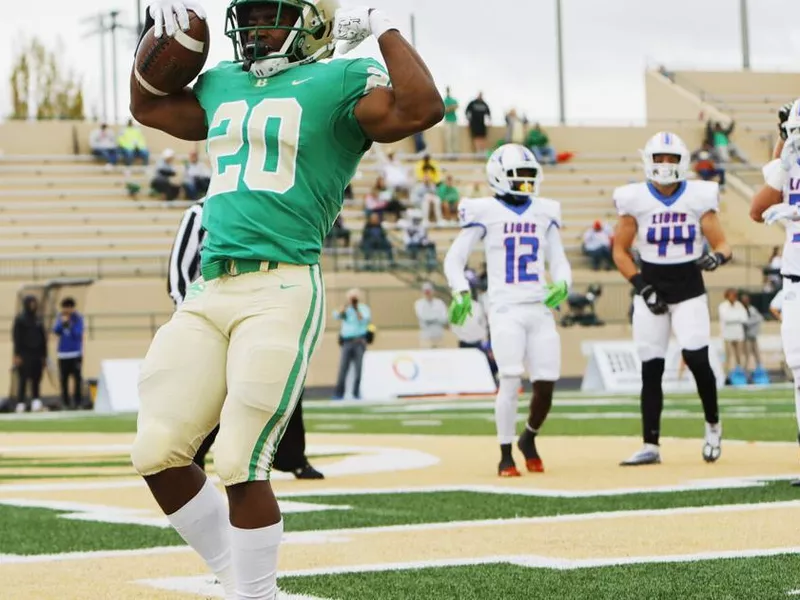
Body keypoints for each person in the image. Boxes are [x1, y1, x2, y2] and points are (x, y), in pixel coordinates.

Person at [129, 1, 444, 598]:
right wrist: (151, 42)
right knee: (156, 450)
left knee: (240, 461)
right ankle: (242, 583)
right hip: (209, 286)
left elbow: (422, 107)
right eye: (246, 13)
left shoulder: (342, 76)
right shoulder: (221, 82)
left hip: (281, 283)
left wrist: (385, 25)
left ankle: (253, 592)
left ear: (312, 21)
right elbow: (145, 106)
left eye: (270, 13)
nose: (254, 25)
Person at [166, 199, 327, 479]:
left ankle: (292, 456)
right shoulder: (199, 213)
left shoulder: (257, 209)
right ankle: (194, 457)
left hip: (258, 308)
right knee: (213, 390)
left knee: (283, 377)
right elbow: (178, 272)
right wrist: (189, 314)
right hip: (213, 315)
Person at [444, 144, 572, 477]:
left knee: (546, 384)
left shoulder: (545, 211)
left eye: (530, 176)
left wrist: (564, 282)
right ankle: (505, 454)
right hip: (504, 308)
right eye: (520, 176)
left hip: (539, 306)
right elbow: (454, 259)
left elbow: (558, 259)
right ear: (499, 176)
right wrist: (461, 293)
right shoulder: (484, 210)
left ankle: (528, 438)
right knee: (511, 378)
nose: (527, 183)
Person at [612, 131, 732, 467]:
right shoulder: (634, 198)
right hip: (651, 286)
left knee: (697, 360)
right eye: (659, 158)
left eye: (671, 158)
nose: (665, 165)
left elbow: (723, 244)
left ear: (683, 162)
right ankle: (650, 444)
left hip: (689, 287)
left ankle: (713, 425)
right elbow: (619, 251)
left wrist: (716, 259)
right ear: (648, 161)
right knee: (651, 369)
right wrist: (641, 285)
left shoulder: (699, 195)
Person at [750, 97, 800, 486]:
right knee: (799, 372)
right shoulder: (789, 164)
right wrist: (784, 161)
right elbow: (757, 208)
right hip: (796, 282)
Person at [333, 289, 372, 400]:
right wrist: (345, 308)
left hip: (359, 342)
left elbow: (363, 320)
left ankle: (356, 393)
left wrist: (356, 309)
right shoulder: (346, 308)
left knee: (358, 369)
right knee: (343, 368)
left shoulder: (363, 308)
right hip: (346, 342)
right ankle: (339, 394)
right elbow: (336, 316)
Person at [12, 296, 47, 413]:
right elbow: (17, 338)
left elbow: (43, 338)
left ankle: (36, 402)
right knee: (23, 378)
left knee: (36, 378)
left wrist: (44, 355)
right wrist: (17, 354)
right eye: (31, 303)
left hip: (37, 353)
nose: (33, 306)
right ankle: (21, 403)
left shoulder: (38, 319)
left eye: (35, 303)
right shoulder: (20, 319)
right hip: (24, 353)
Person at [52, 298, 85, 410]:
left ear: (72, 308)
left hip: (75, 354)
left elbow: (78, 333)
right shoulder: (60, 317)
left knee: (77, 379)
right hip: (63, 354)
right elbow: (56, 330)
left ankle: (77, 402)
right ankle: (65, 402)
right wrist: (62, 323)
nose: (66, 310)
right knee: (64, 380)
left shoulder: (78, 318)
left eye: (68, 307)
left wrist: (69, 324)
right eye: (64, 307)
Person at [718, 288, 748, 383]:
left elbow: (744, 318)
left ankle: (740, 374)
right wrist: (737, 318)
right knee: (728, 357)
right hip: (727, 336)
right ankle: (726, 376)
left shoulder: (739, 305)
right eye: (731, 295)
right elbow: (726, 318)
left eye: (734, 295)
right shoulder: (722, 306)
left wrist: (735, 318)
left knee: (739, 356)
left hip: (739, 335)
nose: (733, 297)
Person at [414, 282, 449, 348]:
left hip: (439, 335)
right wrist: (437, 317)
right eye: (425, 291)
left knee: (441, 356)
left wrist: (432, 317)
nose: (428, 293)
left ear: (433, 291)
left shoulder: (440, 303)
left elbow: (445, 318)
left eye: (429, 290)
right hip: (426, 336)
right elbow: (423, 317)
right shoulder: (419, 303)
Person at [443, 86, 460, 157]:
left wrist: (449, 108)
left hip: (454, 120)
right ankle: (449, 154)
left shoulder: (453, 100)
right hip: (448, 121)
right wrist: (451, 107)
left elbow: (456, 106)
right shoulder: (445, 100)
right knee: (448, 137)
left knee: (455, 137)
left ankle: (455, 153)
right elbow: (445, 110)